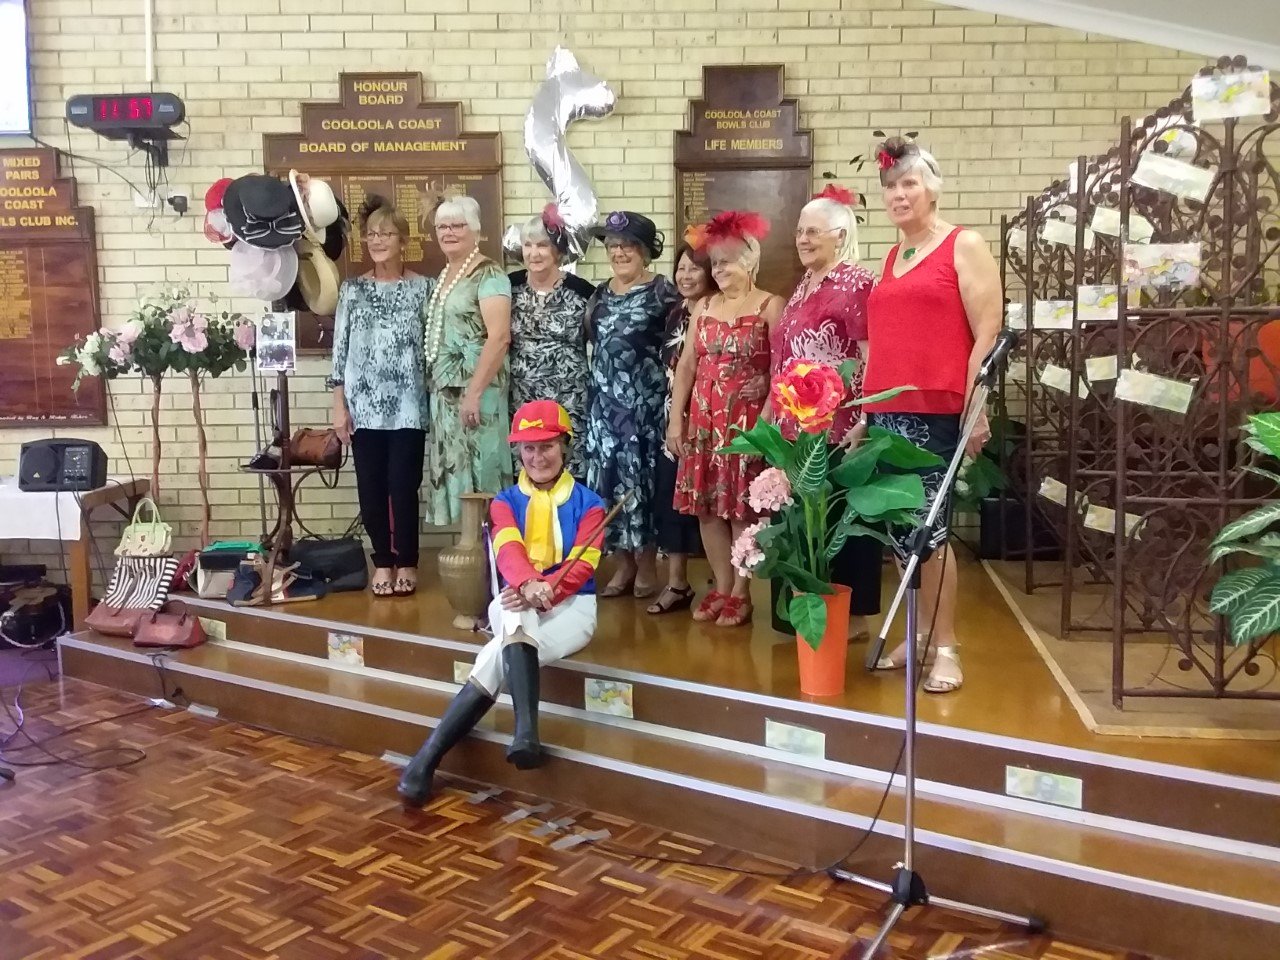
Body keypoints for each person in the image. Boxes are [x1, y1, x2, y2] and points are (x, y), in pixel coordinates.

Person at [398, 400, 606, 806]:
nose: (537, 457)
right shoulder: (504, 502)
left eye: (546, 446)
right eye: (528, 448)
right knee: (516, 612)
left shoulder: (591, 505)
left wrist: (547, 590)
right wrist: (529, 585)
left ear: (565, 446)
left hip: (574, 607)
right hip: (514, 598)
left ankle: (427, 756)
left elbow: (582, 567)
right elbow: (509, 554)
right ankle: (526, 732)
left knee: (499, 651)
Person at [860, 137, 1001, 694]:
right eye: (891, 187)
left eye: (909, 183)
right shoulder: (893, 256)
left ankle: (946, 647)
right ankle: (916, 635)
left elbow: (987, 332)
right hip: (888, 414)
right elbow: (887, 342)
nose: (899, 194)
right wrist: (865, 411)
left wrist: (977, 405)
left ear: (932, 188)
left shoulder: (962, 244)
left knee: (931, 533)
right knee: (902, 534)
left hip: (938, 412)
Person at [769, 184, 882, 640]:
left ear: (840, 234)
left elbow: (872, 354)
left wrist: (866, 415)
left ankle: (849, 618)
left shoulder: (857, 283)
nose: (802, 239)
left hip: (840, 425)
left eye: (813, 231)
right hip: (795, 426)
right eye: (799, 231)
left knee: (839, 520)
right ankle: (803, 611)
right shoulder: (803, 286)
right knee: (800, 522)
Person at [669, 212, 782, 627]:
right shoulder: (703, 306)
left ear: (750, 261)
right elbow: (686, 366)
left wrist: (764, 424)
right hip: (703, 421)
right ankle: (720, 584)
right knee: (707, 509)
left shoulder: (772, 305)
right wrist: (676, 422)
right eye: (714, 263)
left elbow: (783, 369)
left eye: (727, 262)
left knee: (742, 512)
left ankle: (741, 591)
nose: (719, 270)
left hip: (747, 425)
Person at [328, 196, 430, 597]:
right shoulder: (352, 290)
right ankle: (382, 562)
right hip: (363, 406)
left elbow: (433, 345)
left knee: (403, 485)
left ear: (403, 240)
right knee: (370, 487)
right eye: (371, 234)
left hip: (408, 404)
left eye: (386, 233)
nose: (377, 240)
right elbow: (340, 351)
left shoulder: (424, 288)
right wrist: (339, 405)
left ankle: (408, 560)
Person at [583, 210, 680, 598]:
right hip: (604, 410)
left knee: (643, 484)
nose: (619, 253)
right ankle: (621, 566)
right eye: (613, 246)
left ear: (644, 251)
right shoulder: (600, 293)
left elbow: (679, 348)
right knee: (607, 485)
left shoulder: (663, 292)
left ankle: (645, 567)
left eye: (628, 246)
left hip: (646, 408)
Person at [422, 195, 513, 526]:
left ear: (475, 229)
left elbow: (499, 336)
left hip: (478, 392)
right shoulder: (447, 274)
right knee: (462, 478)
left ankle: (495, 564)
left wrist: (474, 392)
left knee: (483, 474)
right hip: (447, 395)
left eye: (457, 225)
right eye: (442, 226)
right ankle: (471, 558)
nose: (449, 232)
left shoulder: (489, 273)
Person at [647, 228, 714, 616]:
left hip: (706, 415)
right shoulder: (675, 311)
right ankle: (677, 582)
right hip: (672, 414)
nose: (686, 276)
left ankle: (725, 585)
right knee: (671, 497)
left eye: (695, 269)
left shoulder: (716, 309)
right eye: (681, 268)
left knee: (707, 503)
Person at [508, 205, 595, 482]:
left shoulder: (583, 292)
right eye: (528, 245)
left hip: (570, 401)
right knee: (527, 477)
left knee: (570, 476)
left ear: (557, 250)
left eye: (543, 245)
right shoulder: (508, 288)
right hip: (523, 400)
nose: (534, 253)